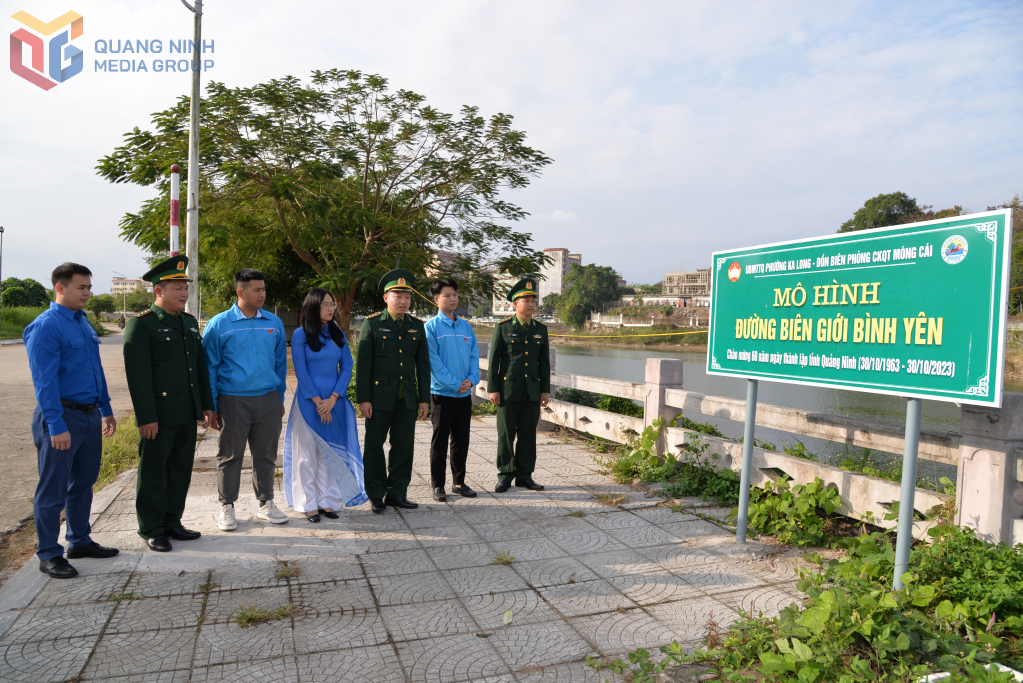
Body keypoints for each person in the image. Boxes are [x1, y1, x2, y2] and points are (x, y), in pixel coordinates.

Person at [24, 262, 119, 579]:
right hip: (61, 416)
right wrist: (56, 425)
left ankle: (79, 541)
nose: (88, 293)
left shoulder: (83, 323)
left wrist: (105, 409)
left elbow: (96, 371)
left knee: (82, 484)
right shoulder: (46, 326)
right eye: (82, 287)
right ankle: (49, 553)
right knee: (52, 490)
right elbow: (44, 382)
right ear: (60, 288)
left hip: (89, 416)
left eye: (89, 287)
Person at [122, 256, 216, 552]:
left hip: (186, 412)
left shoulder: (188, 323)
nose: (184, 294)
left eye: (185, 288)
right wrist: (146, 417)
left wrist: (206, 405)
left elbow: (200, 369)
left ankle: (172, 522)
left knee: (179, 470)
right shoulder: (142, 325)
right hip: (159, 416)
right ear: (158, 291)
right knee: (153, 473)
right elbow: (138, 378)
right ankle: (151, 527)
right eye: (177, 288)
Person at [202, 268, 289, 530]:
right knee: (230, 455)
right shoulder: (219, 324)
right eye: (257, 290)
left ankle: (266, 503)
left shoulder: (274, 322)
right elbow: (210, 367)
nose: (262, 294)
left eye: (263, 289)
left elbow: (280, 364)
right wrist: (214, 406)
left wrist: (279, 398)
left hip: (269, 399)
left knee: (266, 454)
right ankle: (226, 506)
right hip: (234, 400)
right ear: (240, 292)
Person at [284, 288, 367, 521]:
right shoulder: (301, 334)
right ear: (313, 307)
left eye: (332, 305)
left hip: (334, 402)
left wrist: (333, 398)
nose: (331, 309)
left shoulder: (338, 334)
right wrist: (317, 400)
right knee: (306, 455)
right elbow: (300, 369)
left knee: (328, 451)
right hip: (308, 402)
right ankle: (308, 503)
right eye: (325, 305)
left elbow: (347, 367)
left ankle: (328, 501)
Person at [356, 268, 431, 513]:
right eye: (397, 296)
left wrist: (424, 399)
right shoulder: (373, 323)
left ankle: (397, 493)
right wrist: (364, 398)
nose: (403, 301)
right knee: (374, 447)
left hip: (407, 398)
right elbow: (364, 365)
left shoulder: (417, 326)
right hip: (378, 399)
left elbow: (423, 365)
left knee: (403, 447)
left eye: (407, 297)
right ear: (386, 298)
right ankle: (376, 494)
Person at [487, 278, 551, 492]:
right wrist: (492, 388)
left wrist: (544, 390)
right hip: (507, 391)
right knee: (506, 435)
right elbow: (494, 360)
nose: (531, 304)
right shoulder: (503, 328)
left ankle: (524, 476)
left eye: (533, 300)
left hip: (531, 392)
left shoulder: (540, 329)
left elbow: (543, 363)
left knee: (528, 434)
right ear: (515, 303)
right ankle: (505, 475)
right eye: (526, 300)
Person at [424, 278, 480, 502]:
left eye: (455, 294)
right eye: (447, 295)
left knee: (461, 440)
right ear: (437, 299)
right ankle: (438, 485)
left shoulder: (466, 326)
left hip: (464, 395)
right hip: (442, 394)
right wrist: (455, 384)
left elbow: (474, 355)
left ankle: (459, 482)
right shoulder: (431, 327)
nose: (453, 298)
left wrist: (471, 379)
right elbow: (434, 363)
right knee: (440, 440)